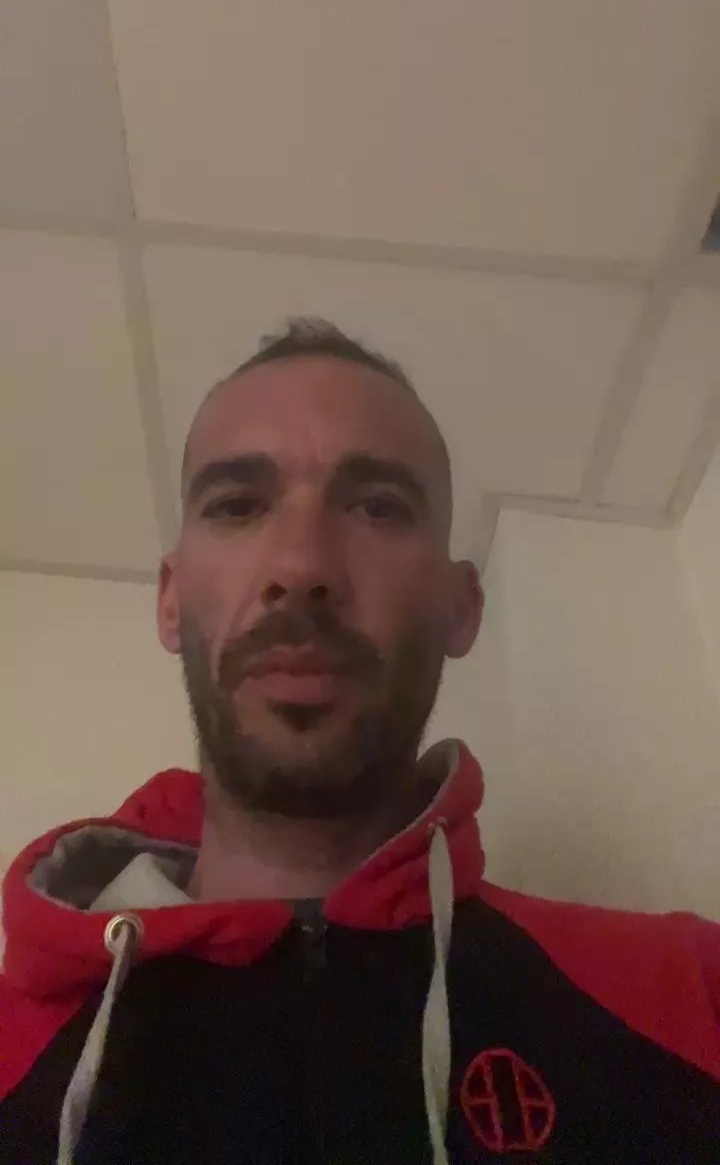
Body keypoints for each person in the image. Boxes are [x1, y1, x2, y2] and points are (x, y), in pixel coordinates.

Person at [1, 317, 718, 1165]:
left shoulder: (690, 994)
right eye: (238, 506)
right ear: (170, 598)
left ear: (460, 607)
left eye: (378, 507)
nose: (301, 565)